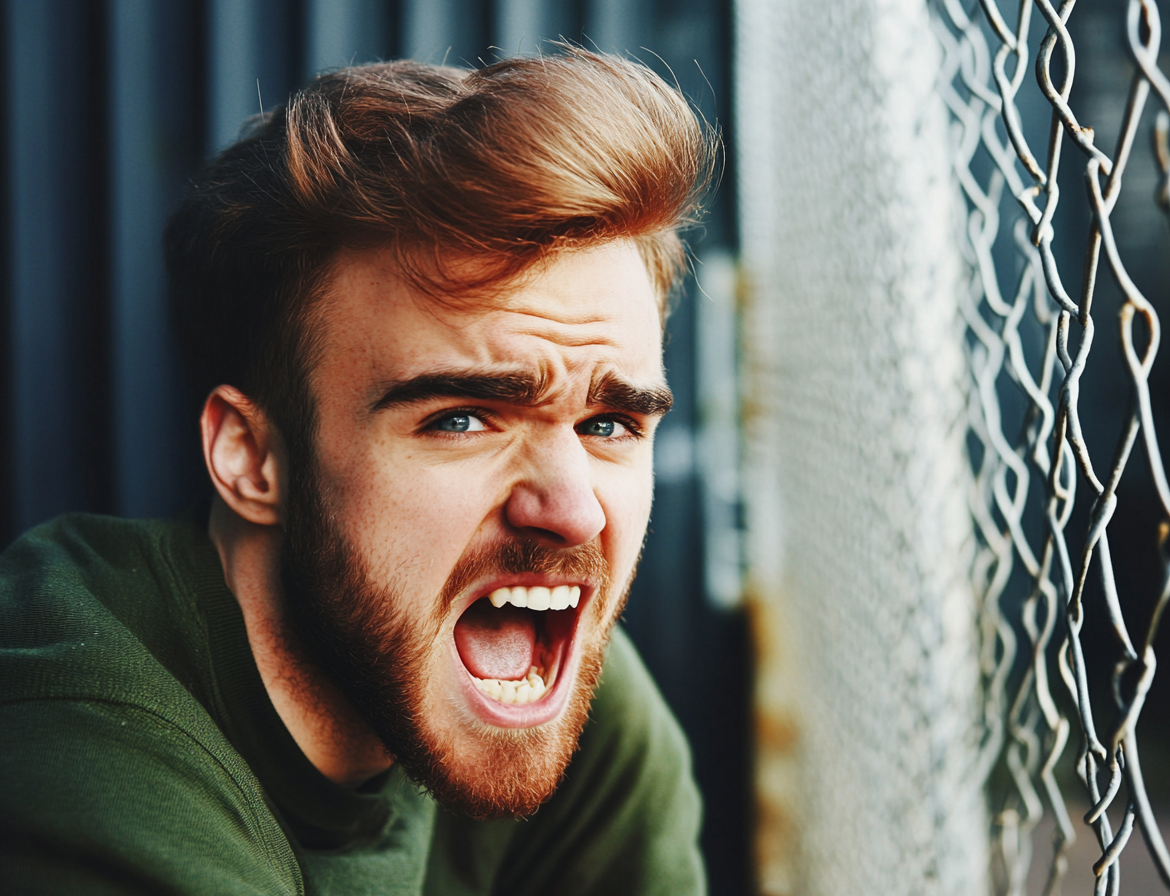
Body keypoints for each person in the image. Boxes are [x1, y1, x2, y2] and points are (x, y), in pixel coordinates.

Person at [0, 48, 714, 895]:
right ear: (252, 458)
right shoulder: (74, 738)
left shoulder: (569, 705)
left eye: (610, 423)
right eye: (461, 418)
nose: (572, 511)